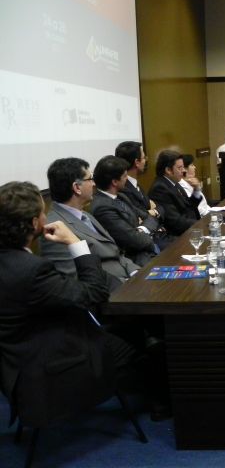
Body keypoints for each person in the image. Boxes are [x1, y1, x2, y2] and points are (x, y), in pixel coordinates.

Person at [0, 181, 137, 426]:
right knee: (136, 339)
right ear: (35, 222)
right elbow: (94, 294)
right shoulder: (32, 269)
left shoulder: (18, 263)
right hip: (50, 364)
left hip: (15, 363)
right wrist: (75, 243)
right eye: (43, 212)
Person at [40, 158, 139, 291]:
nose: (94, 183)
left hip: (129, 279)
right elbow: (76, 281)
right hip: (111, 293)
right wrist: (127, 285)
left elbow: (116, 252)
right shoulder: (54, 229)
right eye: (90, 178)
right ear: (77, 188)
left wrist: (135, 272)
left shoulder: (85, 215)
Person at [91, 155, 159, 267]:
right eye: (125, 176)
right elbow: (134, 241)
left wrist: (140, 229)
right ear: (114, 182)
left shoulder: (122, 196)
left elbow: (149, 217)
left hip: (146, 250)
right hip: (134, 260)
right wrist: (144, 231)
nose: (127, 179)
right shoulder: (102, 207)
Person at [148, 149, 202, 236]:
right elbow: (175, 222)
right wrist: (201, 223)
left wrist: (196, 190)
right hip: (179, 236)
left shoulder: (173, 182)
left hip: (191, 228)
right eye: (180, 168)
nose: (184, 171)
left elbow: (189, 205)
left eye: (183, 167)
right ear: (168, 170)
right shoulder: (159, 189)